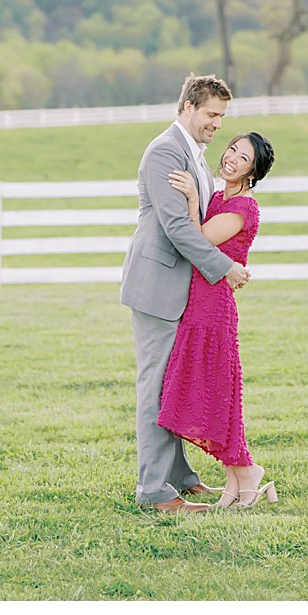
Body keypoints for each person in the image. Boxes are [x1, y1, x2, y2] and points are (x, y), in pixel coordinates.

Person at [120, 74, 250, 514]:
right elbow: (177, 227)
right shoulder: (164, 152)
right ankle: (154, 492)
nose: (217, 124)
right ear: (189, 107)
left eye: (221, 116)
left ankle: (179, 477)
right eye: (212, 114)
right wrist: (224, 268)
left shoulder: (193, 152)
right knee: (155, 389)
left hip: (181, 291)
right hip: (158, 287)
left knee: (172, 387)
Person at [157, 130, 276, 508]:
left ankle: (246, 471)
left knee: (217, 391)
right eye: (231, 150)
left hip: (214, 308)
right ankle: (237, 480)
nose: (231, 159)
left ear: (252, 172)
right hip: (196, 302)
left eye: (242, 159)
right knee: (210, 388)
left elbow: (200, 237)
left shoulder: (244, 208)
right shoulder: (220, 196)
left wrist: (192, 197)